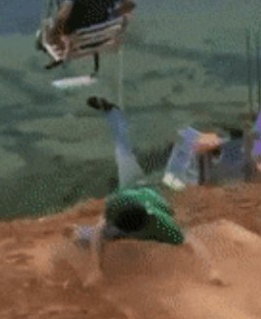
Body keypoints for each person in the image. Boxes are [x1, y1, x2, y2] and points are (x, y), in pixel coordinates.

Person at [67, 97, 224, 288]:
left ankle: (190, 138)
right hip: (133, 186)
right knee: (123, 154)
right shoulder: (117, 206)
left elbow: (191, 243)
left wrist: (212, 271)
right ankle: (112, 112)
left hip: (161, 190)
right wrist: (95, 269)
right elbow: (100, 228)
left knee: (159, 168)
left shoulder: (160, 222)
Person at [39, 0, 136, 74]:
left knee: (47, 30)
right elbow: (130, 4)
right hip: (104, 38)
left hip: (81, 42)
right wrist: (112, 15)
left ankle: (63, 52)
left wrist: (52, 37)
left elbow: (61, 18)